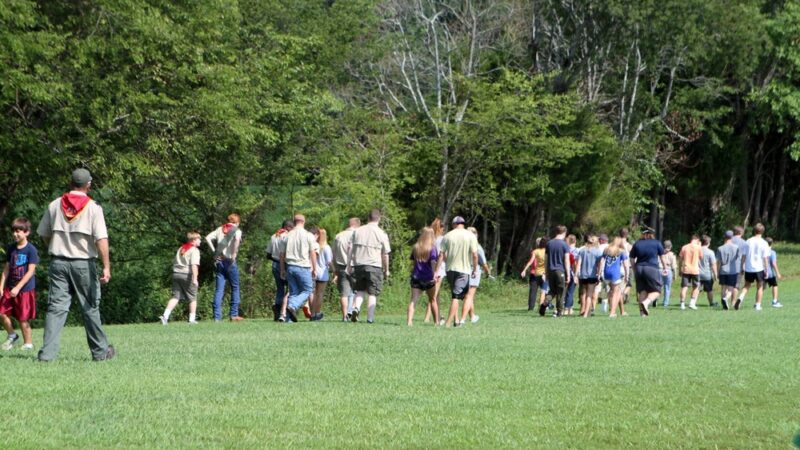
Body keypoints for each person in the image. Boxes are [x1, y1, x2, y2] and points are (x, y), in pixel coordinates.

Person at [36, 168, 114, 361]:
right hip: (83, 264)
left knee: (56, 308)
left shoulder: (55, 205)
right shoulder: (93, 208)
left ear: (70, 183)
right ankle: (100, 352)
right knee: (89, 307)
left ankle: (47, 355)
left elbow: (44, 234)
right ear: (88, 185)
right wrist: (106, 266)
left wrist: (56, 246)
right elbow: (101, 239)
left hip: (58, 263)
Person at [0, 218, 39, 351]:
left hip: (24, 290)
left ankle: (28, 344)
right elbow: (6, 269)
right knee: (1, 313)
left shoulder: (31, 250)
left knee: (23, 318)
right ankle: (12, 335)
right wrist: (1, 287)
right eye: (14, 231)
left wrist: (18, 288)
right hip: (9, 287)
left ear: (26, 232)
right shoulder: (11, 248)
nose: (15, 234)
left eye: (18, 231)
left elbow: (31, 271)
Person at [348, 209, 391, 323]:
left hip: (359, 265)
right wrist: (386, 269)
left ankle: (356, 308)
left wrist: (349, 265)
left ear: (368, 218)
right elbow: (385, 254)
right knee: (372, 293)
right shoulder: (381, 233)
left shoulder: (357, 231)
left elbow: (351, 249)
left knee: (360, 290)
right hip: (374, 265)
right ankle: (370, 318)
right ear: (379, 218)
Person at [435, 216, 478, 327]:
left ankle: (456, 320)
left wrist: (436, 271)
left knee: (455, 295)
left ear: (454, 224)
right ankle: (448, 323)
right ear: (463, 224)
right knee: (456, 297)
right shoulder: (470, 236)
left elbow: (441, 255)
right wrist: (474, 269)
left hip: (450, 269)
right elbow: (475, 255)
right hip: (463, 270)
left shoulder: (447, 236)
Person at [278, 214, 318, 322]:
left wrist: (282, 269)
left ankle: (288, 319)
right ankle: (292, 306)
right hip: (303, 266)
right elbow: (313, 253)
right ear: (304, 222)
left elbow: (281, 254)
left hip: (290, 266)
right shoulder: (308, 235)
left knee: (293, 292)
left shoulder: (286, 236)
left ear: (294, 222)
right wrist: (315, 268)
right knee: (308, 290)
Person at [206, 213, 243, 321]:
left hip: (219, 260)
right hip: (230, 260)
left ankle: (217, 317)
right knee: (235, 287)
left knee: (219, 289)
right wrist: (234, 254)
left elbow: (207, 238)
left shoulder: (220, 229)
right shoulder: (237, 230)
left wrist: (215, 252)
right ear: (237, 222)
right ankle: (233, 315)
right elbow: (237, 240)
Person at [159, 231, 201, 325]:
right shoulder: (194, 250)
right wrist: (195, 279)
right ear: (193, 240)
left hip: (176, 274)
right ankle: (191, 320)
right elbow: (194, 265)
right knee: (192, 298)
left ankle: (165, 316)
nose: (200, 241)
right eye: (199, 239)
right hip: (187, 275)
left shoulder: (182, 248)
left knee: (175, 297)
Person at [629, 226, 668, 316]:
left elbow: (631, 259)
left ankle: (642, 314)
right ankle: (646, 303)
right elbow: (662, 257)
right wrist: (665, 268)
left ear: (643, 234)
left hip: (639, 268)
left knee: (642, 291)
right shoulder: (657, 243)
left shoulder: (637, 244)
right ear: (651, 234)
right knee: (657, 290)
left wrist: (634, 269)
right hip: (651, 268)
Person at [407, 227, 439, 326]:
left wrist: (413, 272)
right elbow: (433, 262)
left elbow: (413, 262)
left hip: (416, 277)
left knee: (413, 300)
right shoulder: (432, 248)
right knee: (432, 300)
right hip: (428, 278)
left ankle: (409, 322)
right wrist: (434, 274)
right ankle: (436, 322)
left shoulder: (416, 247)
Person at [460, 227, 491, 325]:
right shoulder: (478, 247)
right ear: (476, 235)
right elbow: (484, 263)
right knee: (469, 296)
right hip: (473, 271)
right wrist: (488, 273)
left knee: (467, 296)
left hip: (462, 270)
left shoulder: (462, 246)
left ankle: (472, 316)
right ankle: (462, 319)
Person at [736, 223, 771, 311]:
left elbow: (743, 256)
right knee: (760, 287)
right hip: (759, 268)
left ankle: (740, 298)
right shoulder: (764, 243)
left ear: (754, 231)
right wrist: (766, 270)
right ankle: (758, 305)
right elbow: (765, 258)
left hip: (749, 268)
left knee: (746, 286)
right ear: (762, 231)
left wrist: (741, 266)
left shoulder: (748, 241)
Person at [332, 217, 360, 321]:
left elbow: (333, 254)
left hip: (341, 266)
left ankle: (344, 316)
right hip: (354, 266)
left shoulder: (339, 236)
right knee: (357, 291)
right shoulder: (357, 235)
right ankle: (352, 311)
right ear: (357, 225)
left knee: (344, 293)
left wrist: (335, 269)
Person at [266, 219, 293, 321]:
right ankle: (285, 310)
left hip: (275, 264)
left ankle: (277, 307)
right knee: (290, 288)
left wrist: (275, 258)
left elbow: (268, 254)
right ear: (288, 227)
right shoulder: (288, 236)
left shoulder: (274, 236)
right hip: (285, 264)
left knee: (280, 288)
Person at [599, 237, 629, 318]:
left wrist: (599, 273)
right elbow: (626, 265)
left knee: (612, 291)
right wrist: (627, 275)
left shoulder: (607, 249)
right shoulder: (621, 251)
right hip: (615, 273)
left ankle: (616, 309)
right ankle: (612, 312)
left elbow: (601, 261)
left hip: (606, 273)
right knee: (616, 293)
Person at [545, 225, 571, 317]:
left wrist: (546, 272)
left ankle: (545, 302)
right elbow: (567, 261)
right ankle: (559, 311)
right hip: (560, 271)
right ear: (564, 233)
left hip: (550, 270)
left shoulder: (549, 243)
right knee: (561, 292)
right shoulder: (564, 244)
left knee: (552, 290)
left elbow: (546, 259)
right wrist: (568, 274)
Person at [575, 234, 602, 318]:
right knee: (589, 295)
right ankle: (586, 313)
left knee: (583, 293)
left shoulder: (582, 251)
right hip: (592, 275)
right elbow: (600, 264)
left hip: (583, 275)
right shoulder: (597, 251)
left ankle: (582, 310)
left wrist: (576, 274)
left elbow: (578, 264)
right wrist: (599, 274)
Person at [309, 227, 333, 321]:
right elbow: (329, 261)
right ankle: (317, 313)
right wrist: (335, 271)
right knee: (320, 294)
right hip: (322, 273)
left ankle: (312, 313)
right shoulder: (326, 247)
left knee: (312, 293)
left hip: (312, 271)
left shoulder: (313, 246)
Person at [426, 218, 446, 324]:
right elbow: (444, 255)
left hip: (430, 267)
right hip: (439, 268)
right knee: (434, 295)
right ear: (440, 228)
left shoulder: (430, 239)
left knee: (436, 295)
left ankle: (438, 315)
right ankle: (427, 318)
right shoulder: (442, 239)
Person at [520, 237, 547, 314]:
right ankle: (544, 306)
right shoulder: (547, 251)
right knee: (544, 291)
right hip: (544, 274)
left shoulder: (535, 251)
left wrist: (524, 270)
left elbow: (530, 262)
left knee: (533, 291)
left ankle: (531, 308)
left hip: (534, 274)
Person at [715, 230, 741, 310]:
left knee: (723, 288)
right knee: (731, 288)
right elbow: (738, 259)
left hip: (723, 270)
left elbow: (718, 262)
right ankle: (725, 299)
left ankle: (724, 305)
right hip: (732, 271)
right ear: (732, 237)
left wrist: (717, 272)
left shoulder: (720, 248)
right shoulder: (736, 247)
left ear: (725, 237)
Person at [678, 235, 703, 310]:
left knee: (684, 287)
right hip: (695, 270)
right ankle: (692, 303)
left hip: (686, 269)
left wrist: (680, 269)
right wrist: (699, 246)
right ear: (697, 240)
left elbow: (680, 259)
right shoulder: (698, 247)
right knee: (696, 287)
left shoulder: (684, 247)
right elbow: (701, 257)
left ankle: (682, 304)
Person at [697, 235, 718, 308]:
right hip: (707, 274)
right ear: (708, 243)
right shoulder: (710, 252)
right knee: (709, 290)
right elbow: (713, 265)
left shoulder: (697, 250)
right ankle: (711, 303)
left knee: (696, 289)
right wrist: (715, 275)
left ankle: (692, 302)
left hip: (697, 273)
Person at [594, 233, 610, 313]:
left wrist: (598, 272)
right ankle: (606, 304)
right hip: (609, 271)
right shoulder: (610, 247)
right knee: (608, 289)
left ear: (601, 240)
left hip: (599, 270)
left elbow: (598, 261)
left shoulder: (598, 248)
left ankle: (593, 307)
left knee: (596, 290)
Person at [730, 226, 748, 301]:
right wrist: (743, 266)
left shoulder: (729, 240)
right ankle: (733, 302)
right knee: (736, 286)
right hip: (738, 266)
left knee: (727, 285)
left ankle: (725, 300)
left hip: (727, 266)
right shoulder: (744, 242)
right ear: (741, 233)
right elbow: (744, 256)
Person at [658, 240, 678, 308]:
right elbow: (674, 266)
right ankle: (665, 303)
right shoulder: (672, 254)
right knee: (667, 287)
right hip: (668, 270)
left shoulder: (659, 253)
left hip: (660, 269)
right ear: (670, 247)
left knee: (658, 286)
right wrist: (675, 275)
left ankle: (655, 299)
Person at [765, 237, 783, 308]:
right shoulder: (772, 252)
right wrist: (778, 273)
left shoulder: (761, 252)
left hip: (761, 272)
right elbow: (774, 263)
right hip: (770, 273)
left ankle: (757, 303)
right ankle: (775, 301)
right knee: (774, 285)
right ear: (771, 243)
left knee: (761, 287)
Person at [563, 234, 578, 315]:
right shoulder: (577, 251)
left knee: (565, 291)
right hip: (572, 272)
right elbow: (575, 264)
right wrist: (576, 275)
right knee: (570, 291)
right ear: (575, 241)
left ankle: (569, 307)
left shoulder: (564, 250)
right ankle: (568, 308)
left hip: (564, 271)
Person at [618, 228, 634, 304]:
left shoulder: (616, 244)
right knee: (629, 284)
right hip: (628, 266)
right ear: (627, 235)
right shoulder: (629, 246)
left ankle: (621, 297)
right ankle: (622, 294)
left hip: (617, 266)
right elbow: (633, 257)